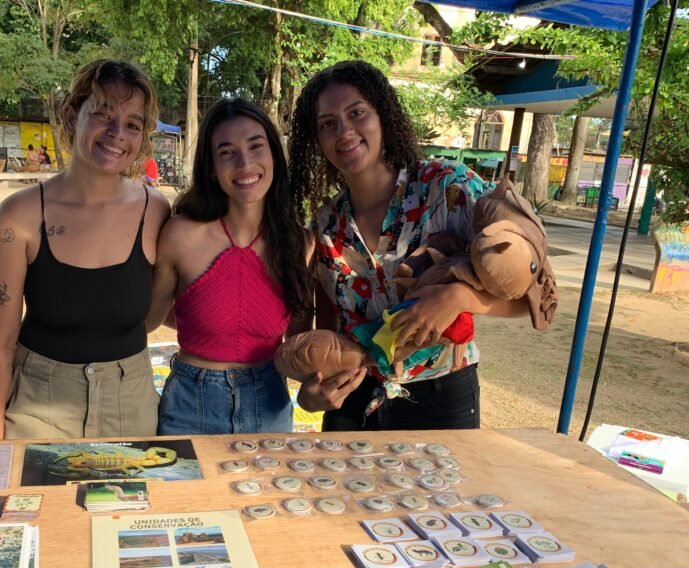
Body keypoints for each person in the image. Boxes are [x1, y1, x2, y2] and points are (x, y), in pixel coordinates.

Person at [288, 60, 528, 431]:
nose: (345, 131)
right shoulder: (325, 227)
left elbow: (528, 297)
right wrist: (313, 394)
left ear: (382, 115)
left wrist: (458, 298)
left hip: (442, 398)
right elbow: (326, 333)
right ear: (316, 140)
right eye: (327, 123)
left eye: (357, 113)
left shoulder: (448, 189)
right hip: (352, 399)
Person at [0, 59, 170, 440]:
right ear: (71, 115)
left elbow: (160, 313)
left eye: (132, 124)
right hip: (38, 409)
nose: (117, 134)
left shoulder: (156, 212)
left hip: (130, 405)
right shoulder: (19, 217)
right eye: (103, 115)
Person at [147, 98, 314, 435]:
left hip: (270, 405)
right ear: (211, 167)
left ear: (273, 155)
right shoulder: (181, 235)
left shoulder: (300, 242)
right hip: (190, 405)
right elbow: (149, 320)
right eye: (226, 152)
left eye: (256, 146)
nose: (245, 163)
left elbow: (298, 345)